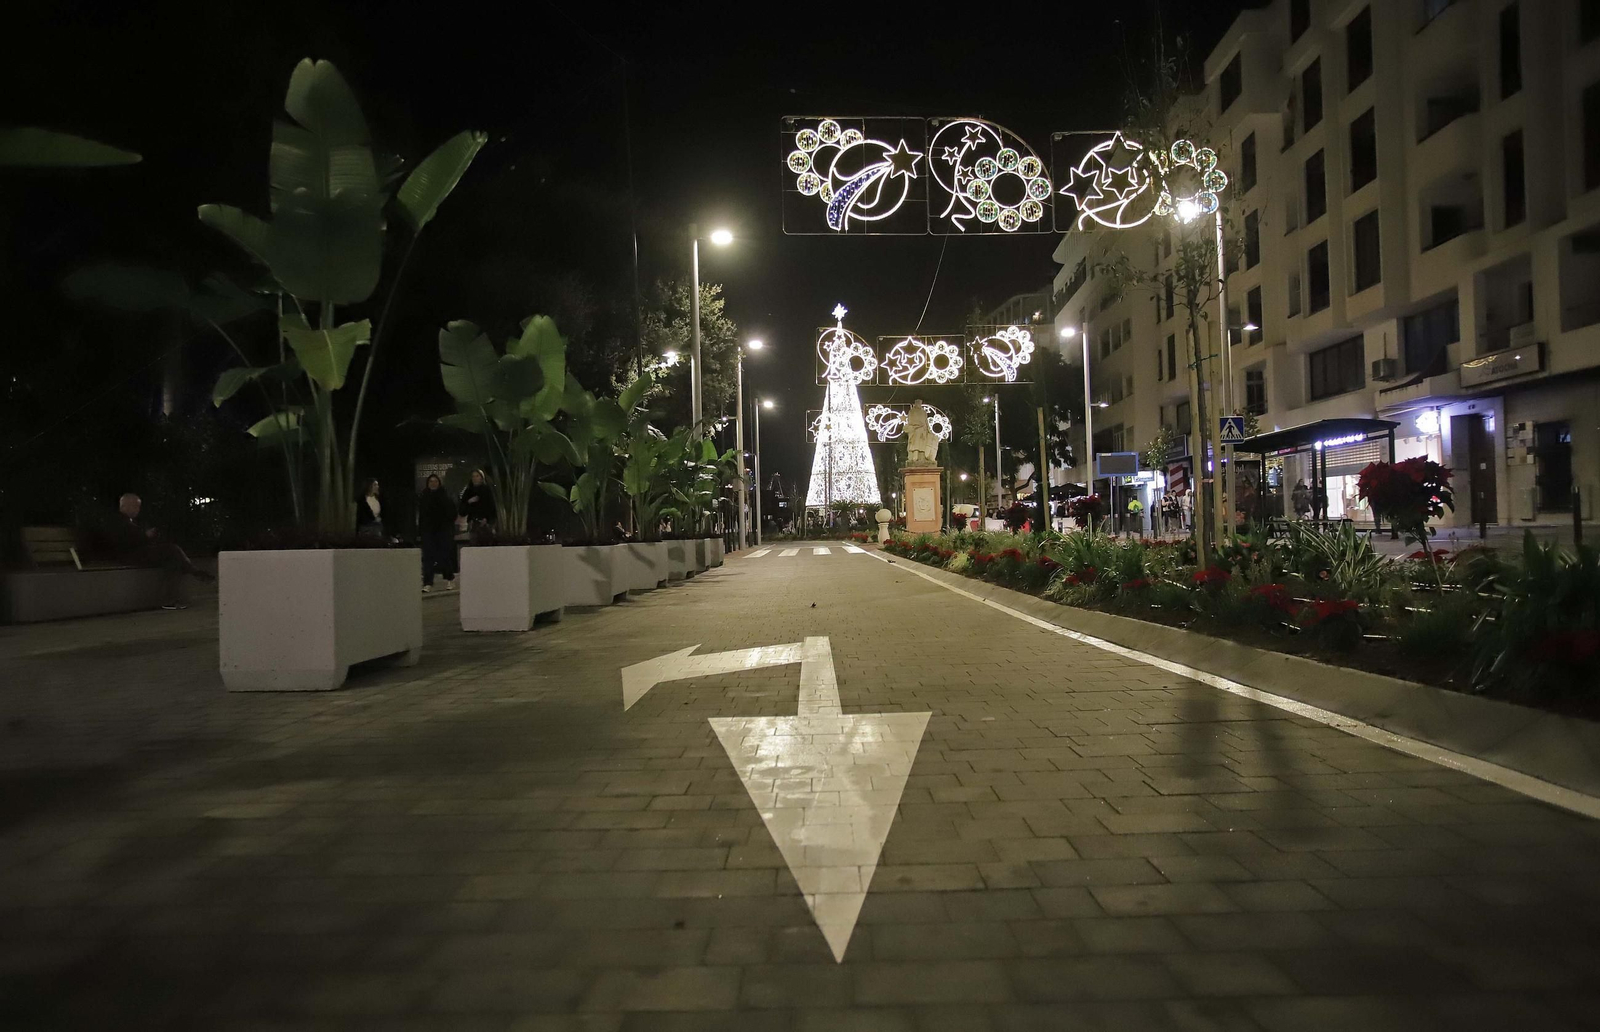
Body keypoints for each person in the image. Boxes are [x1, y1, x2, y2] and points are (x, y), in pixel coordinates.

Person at [106, 493, 214, 610]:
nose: (138, 510)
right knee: (172, 549)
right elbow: (125, 541)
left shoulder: (129, 521)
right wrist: (145, 535)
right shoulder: (119, 521)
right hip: (130, 555)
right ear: (124, 506)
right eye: (135, 506)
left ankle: (170, 600)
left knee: (173, 562)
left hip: (137, 552)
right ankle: (193, 571)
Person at [417, 474, 457, 591]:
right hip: (428, 531)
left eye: (435, 481)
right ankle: (427, 582)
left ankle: (449, 578)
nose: (433, 484)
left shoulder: (445, 497)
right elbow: (422, 516)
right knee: (428, 557)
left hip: (442, 531)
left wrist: (447, 526)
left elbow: (452, 513)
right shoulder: (424, 497)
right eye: (431, 482)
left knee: (444, 556)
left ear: (439, 483)